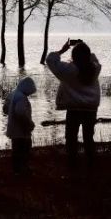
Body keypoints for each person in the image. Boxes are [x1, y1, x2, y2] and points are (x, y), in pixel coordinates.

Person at [46, 39, 102, 168]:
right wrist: (83, 47)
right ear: (88, 56)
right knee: (88, 138)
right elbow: (94, 59)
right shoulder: (94, 68)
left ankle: (72, 164)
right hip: (90, 108)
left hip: (74, 108)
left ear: (73, 56)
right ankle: (91, 164)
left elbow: (50, 60)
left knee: (71, 138)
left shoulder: (69, 70)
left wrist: (62, 50)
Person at [3, 76, 36, 175]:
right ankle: (23, 169)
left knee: (16, 150)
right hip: (21, 130)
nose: (29, 94)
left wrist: (12, 114)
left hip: (13, 128)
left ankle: (16, 170)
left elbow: (5, 109)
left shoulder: (13, 94)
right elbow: (20, 112)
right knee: (24, 149)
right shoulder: (21, 97)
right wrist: (29, 124)